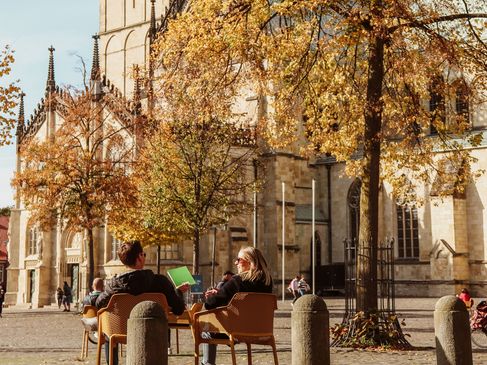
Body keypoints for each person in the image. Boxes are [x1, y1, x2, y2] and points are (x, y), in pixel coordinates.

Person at [95, 240, 189, 365]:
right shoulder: (160, 282)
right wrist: (179, 292)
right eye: (143, 254)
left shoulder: (113, 285)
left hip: (119, 332)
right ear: (139, 257)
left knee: (108, 332)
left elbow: (98, 303)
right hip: (153, 332)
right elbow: (178, 309)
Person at [201, 246, 273, 365]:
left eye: (239, 259)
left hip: (237, 332)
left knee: (206, 331)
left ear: (249, 262)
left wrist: (213, 296)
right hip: (262, 330)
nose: (236, 263)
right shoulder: (268, 282)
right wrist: (223, 294)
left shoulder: (237, 280)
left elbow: (210, 304)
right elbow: (246, 302)